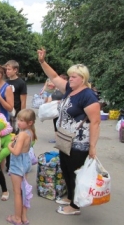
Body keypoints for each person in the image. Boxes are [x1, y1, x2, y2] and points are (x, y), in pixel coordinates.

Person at [37, 47, 100, 215]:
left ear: (83, 79)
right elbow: (54, 76)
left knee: (74, 172)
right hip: (66, 138)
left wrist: (92, 146)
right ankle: (70, 196)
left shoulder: (88, 96)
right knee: (65, 168)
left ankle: (75, 206)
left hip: (79, 143)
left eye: (74, 76)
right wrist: (43, 61)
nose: (70, 78)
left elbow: (95, 122)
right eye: (70, 76)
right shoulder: (71, 90)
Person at [7, 109, 37, 225]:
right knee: (23, 189)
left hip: (18, 164)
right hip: (25, 163)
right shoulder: (30, 132)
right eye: (18, 119)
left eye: (22, 120)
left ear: (30, 122)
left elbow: (16, 152)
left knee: (17, 192)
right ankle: (24, 217)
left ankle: (17, 218)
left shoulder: (23, 134)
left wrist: (10, 145)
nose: (18, 122)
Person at [5, 60, 27, 171]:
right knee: (6, 138)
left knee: (14, 138)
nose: (7, 71)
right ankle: (6, 162)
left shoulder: (21, 83)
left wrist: (22, 117)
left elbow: (23, 101)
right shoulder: (5, 82)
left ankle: (14, 163)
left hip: (16, 114)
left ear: (15, 70)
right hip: (5, 114)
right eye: (6, 69)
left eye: (9, 69)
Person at [46, 74, 68, 143]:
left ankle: (63, 138)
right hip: (54, 109)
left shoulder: (66, 90)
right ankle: (56, 138)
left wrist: (59, 101)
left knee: (62, 123)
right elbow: (49, 93)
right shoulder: (55, 88)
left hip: (63, 109)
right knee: (55, 122)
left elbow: (68, 99)